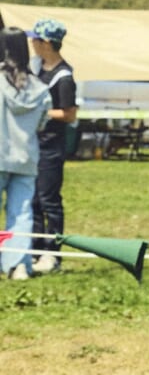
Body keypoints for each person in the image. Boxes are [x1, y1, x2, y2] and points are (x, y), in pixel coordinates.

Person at [28, 19, 76, 276]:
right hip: (35, 144)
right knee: (34, 199)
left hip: (51, 146)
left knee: (49, 200)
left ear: (46, 43)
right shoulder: (38, 69)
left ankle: (53, 253)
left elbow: (69, 114)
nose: (32, 43)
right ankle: (35, 249)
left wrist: (40, 112)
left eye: (35, 39)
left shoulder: (63, 77)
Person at [0, 31, 48, 279]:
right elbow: (41, 124)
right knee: (21, 213)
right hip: (26, 157)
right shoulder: (40, 87)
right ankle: (18, 265)